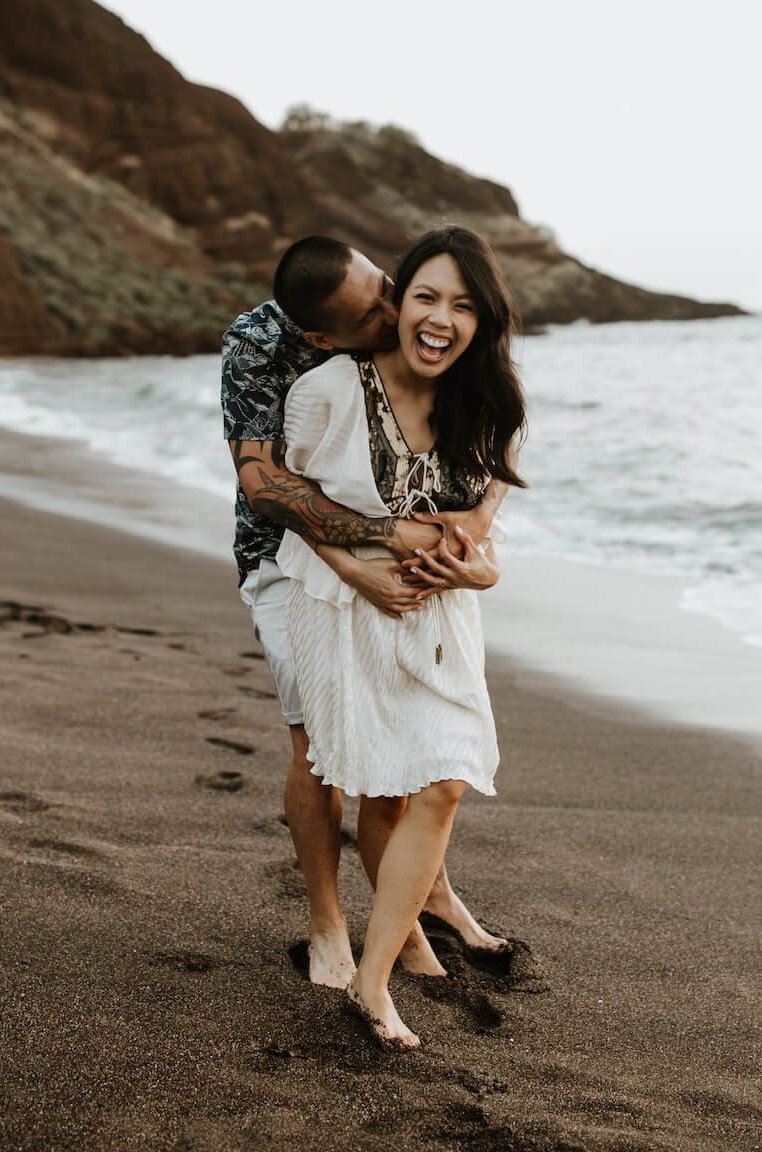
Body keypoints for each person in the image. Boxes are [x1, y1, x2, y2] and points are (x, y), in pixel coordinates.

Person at [221, 236, 508, 991]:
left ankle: (420, 901)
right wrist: (370, 552)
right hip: (287, 559)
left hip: (376, 561)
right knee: (319, 745)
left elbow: (498, 430)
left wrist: (474, 529)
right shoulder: (263, 348)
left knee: (407, 750)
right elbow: (264, 485)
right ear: (323, 337)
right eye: (372, 311)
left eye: (389, 287)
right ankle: (326, 923)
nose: (392, 312)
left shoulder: (422, 319)